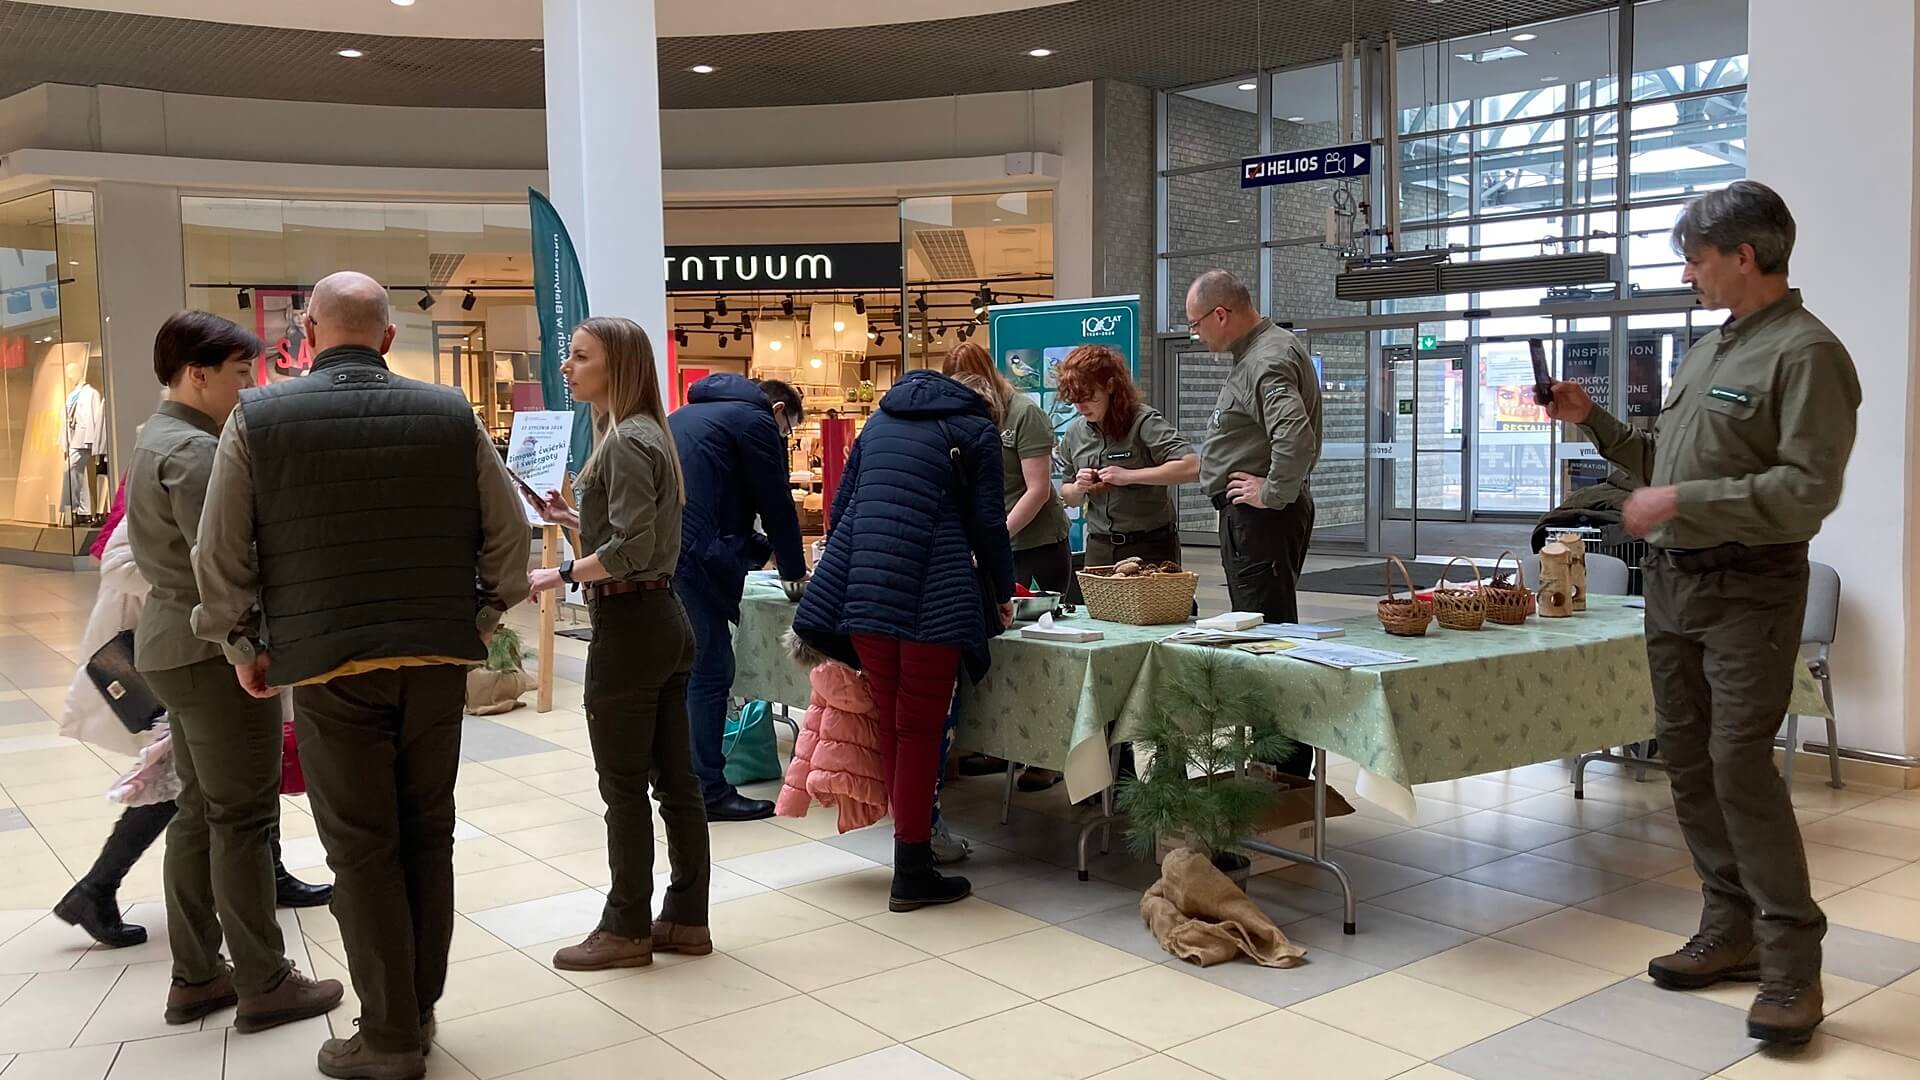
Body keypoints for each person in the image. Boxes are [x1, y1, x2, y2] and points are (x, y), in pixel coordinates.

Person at [192, 272, 530, 1080]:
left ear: (307, 334)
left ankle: (387, 1037)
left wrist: (244, 646)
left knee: (361, 848)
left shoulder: (259, 417)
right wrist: (480, 617)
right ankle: (415, 1007)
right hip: (436, 661)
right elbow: (509, 536)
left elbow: (221, 553)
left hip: (329, 664)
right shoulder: (450, 413)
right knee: (428, 831)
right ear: (386, 338)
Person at [1545, 180, 1859, 1045]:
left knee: (1738, 768)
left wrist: (1684, 501)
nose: (1688, 274)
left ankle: (1794, 959)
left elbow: (1805, 494)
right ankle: (1732, 931)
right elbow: (1657, 458)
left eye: (1695, 258)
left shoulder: (1807, 354)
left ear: (1743, 256)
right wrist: (1595, 421)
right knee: (1685, 760)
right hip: (1675, 587)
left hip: (1749, 588)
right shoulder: (1711, 349)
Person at [125, 311, 343, 1034]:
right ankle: (263, 979)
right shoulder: (191, 454)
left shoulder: (158, 437)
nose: (248, 386)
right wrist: (249, 648)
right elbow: (223, 567)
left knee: (201, 812)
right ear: (198, 374)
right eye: (238, 373)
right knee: (244, 817)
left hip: (173, 648)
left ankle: (196, 976)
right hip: (210, 653)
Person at [54, 473, 328, 950]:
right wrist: (208, 582)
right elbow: (119, 564)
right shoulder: (163, 481)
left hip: (218, 653)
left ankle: (271, 872)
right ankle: (95, 889)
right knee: (180, 780)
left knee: (248, 764)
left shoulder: (228, 480)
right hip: (170, 658)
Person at [526, 317, 711, 974]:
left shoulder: (626, 442)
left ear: (618, 368)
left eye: (581, 357)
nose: (568, 368)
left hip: (633, 629)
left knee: (625, 787)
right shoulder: (636, 436)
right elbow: (640, 536)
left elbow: (631, 549)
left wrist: (559, 573)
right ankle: (687, 918)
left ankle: (627, 924)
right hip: (659, 618)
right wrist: (574, 521)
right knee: (675, 783)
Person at [793, 369, 1016, 912]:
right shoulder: (976, 430)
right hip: (933, 590)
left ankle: (909, 853)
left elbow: (842, 507)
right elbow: (988, 522)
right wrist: (1002, 591)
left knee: (892, 721)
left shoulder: (880, 421)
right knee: (919, 729)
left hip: (863, 592)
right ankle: (912, 870)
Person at [1188, 270, 1323, 779]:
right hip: (1261, 517)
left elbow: (1295, 435)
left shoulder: (1266, 360)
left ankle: (1282, 759)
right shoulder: (1265, 351)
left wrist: (1272, 492)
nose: (1195, 334)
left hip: (1261, 519)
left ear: (1221, 314)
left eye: (1196, 324)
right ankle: (1281, 756)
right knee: (1270, 627)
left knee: (1265, 636)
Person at [668, 373, 809, 822]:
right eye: (787, 433)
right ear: (779, 413)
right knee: (711, 672)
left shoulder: (688, 414)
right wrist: (794, 573)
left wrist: (761, 551)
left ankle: (678, 781)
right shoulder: (754, 422)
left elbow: (720, 498)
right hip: (695, 559)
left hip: (665, 552)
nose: (782, 439)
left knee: (684, 673)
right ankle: (707, 791)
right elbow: (776, 503)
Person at [943, 343, 1069, 791]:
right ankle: (1000, 744)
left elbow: (1037, 490)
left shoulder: (1024, 416)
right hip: (992, 544)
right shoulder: (961, 416)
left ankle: (1049, 757)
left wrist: (996, 538)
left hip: (1035, 541)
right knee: (998, 649)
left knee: (1045, 653)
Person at [1054, 344, 1200, 568]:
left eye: (1088, 397)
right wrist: (1079, 487)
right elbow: (1069, 495)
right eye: (1074, 400)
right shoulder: (1075, 432)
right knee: (1099, 605)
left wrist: (1129, 476)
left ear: (1110, 385)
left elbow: (1192, 467)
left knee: (1155, 604)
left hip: (1149, 545)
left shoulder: (1143, 421)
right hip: (1099, 547)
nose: (1081, 407)